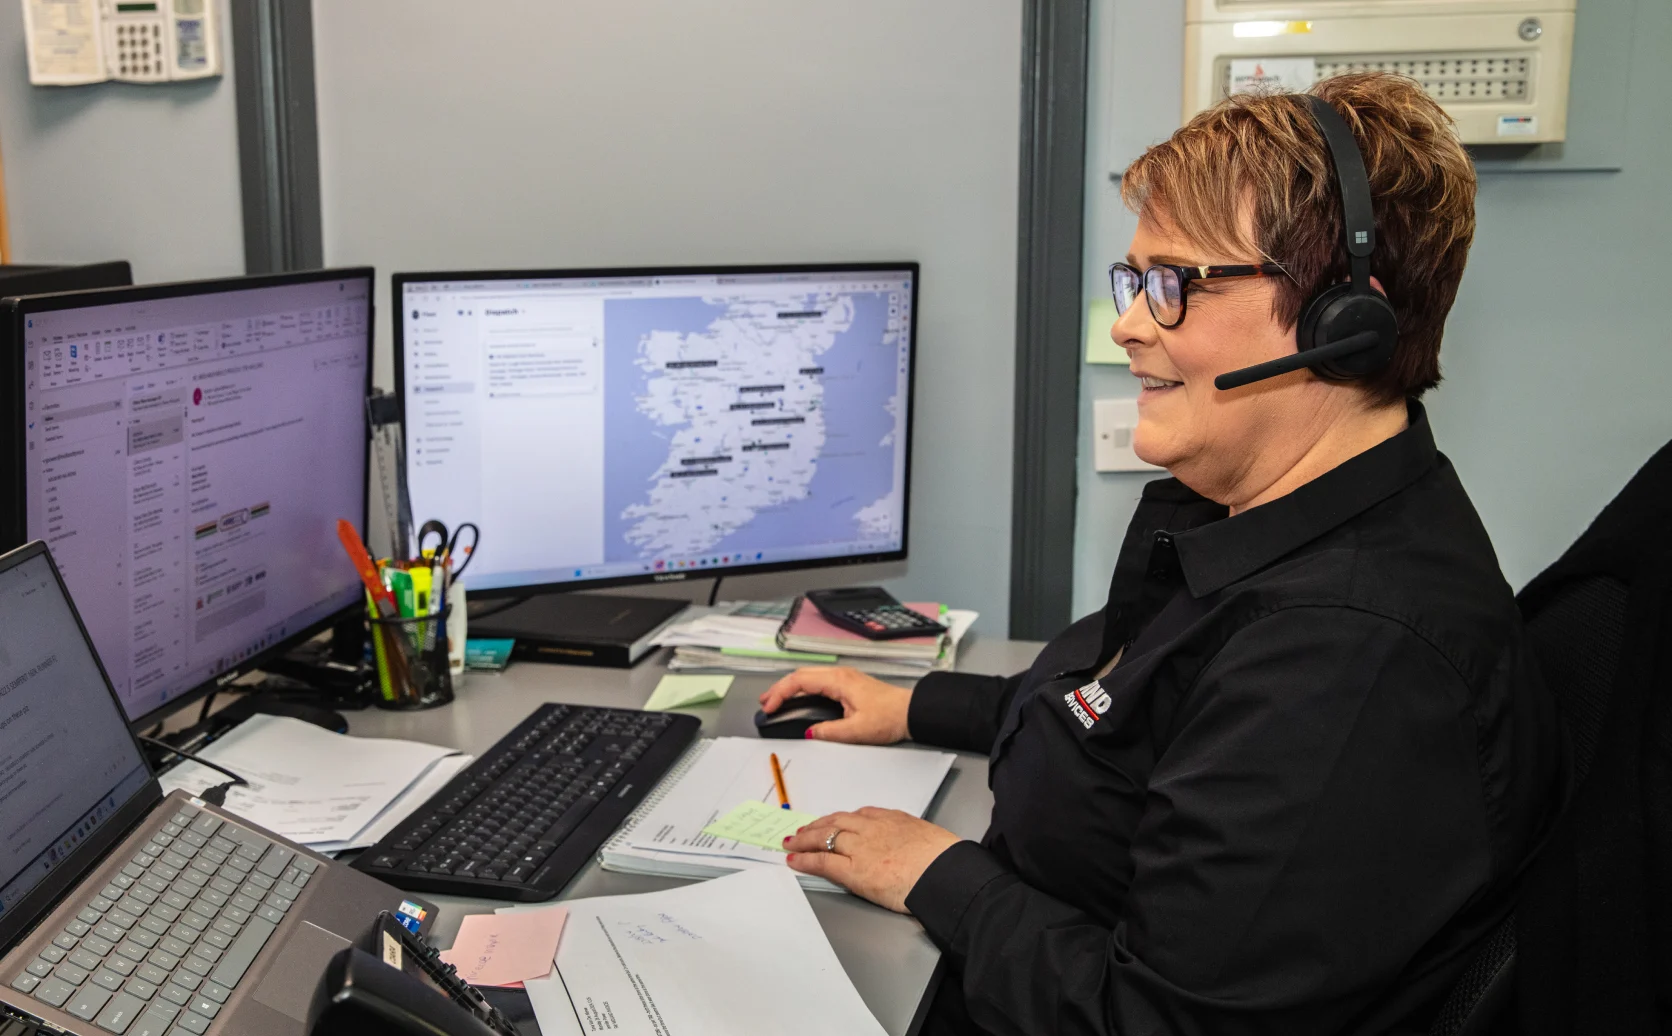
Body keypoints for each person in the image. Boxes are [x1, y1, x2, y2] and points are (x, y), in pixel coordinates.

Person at [758, 71, 1564, 1035]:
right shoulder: (1256, 516)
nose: (1130, 322)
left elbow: (1164, 1023)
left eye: (1173, 285)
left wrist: (940, 877)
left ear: (1341, 326)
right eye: (1134, 282)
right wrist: (921, 705)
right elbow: (1124, 714)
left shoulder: (1345, 661)